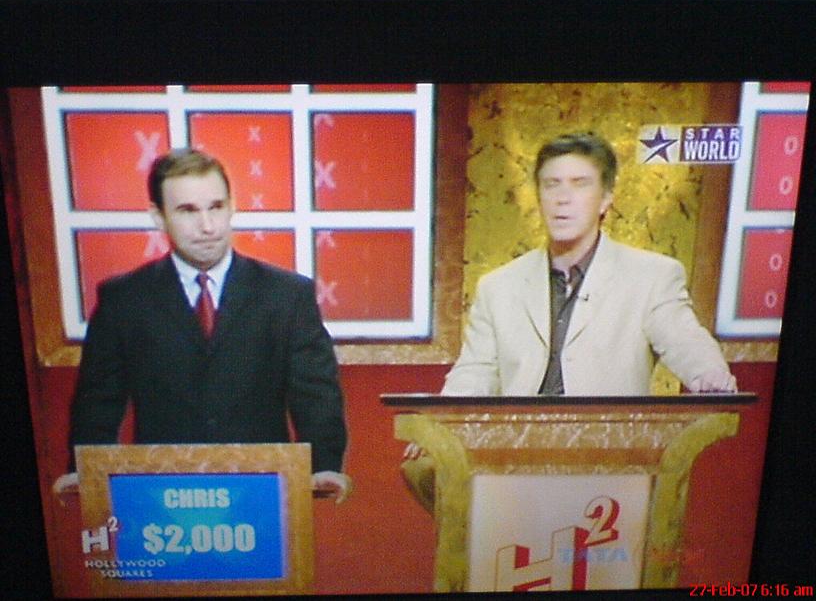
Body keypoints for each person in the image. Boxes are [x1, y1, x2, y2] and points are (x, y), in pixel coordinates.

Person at [403, 132, 735, 467]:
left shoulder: (651, 276)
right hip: (517, 451)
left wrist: (710, 376)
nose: (563, 198)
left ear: (606, 198)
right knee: (425, 468)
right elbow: (476, 372)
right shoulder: (499, 286)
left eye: (579, 184)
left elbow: (684, 340)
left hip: (609, 451)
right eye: (552, 185)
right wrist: (441, 428)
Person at [55, 149, 350, 503]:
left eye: (216, 207)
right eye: (188, 211)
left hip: (262, 492)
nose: (208, 226)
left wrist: (324, 465)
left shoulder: (287, 295)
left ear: (232, 207)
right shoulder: (124, 300)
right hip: (161, 496)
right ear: (158, 217)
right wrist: (83, 469)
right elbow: (99, 400)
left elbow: (315, 392)